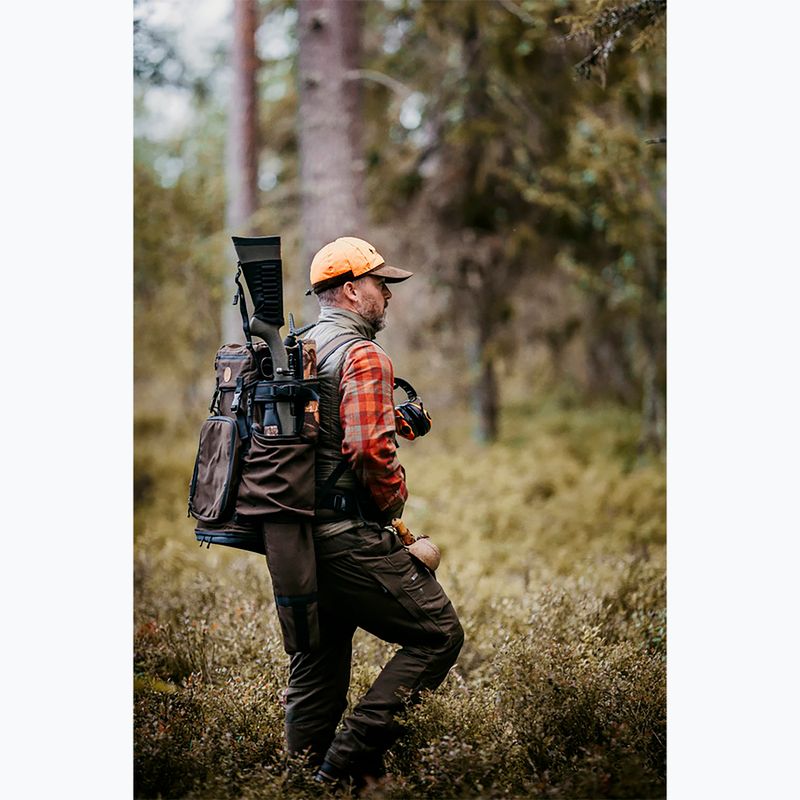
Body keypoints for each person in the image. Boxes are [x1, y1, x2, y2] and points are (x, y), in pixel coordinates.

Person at [284, 236, 464, 789]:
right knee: (439, 635)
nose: (388, 293)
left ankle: (298, 781)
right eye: (380, 283)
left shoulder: (300, 348)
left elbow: (331, 434)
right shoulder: (363, 355)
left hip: (294, 539)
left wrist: (396, 421)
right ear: (349, 289)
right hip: (348, 536)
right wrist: (394, 506)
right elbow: (366, 450)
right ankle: (347, 760)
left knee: (319, 665)